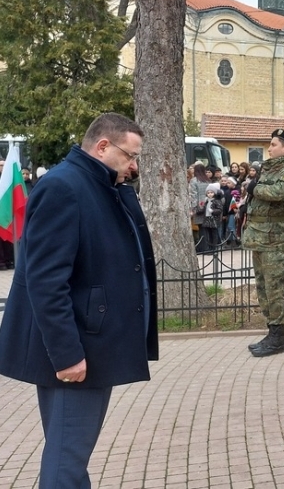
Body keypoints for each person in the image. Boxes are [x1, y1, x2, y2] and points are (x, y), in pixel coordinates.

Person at [0, 113, 158, 488]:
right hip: (77, 347)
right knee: (66, 458)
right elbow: (45, 279)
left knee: (70, 453)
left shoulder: (102, 185)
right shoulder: (64, 187)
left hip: (91, 340)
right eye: (130, 156)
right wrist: (67, 353)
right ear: (103, 147)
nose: (134, 166)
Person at [243, 129, 284, 358]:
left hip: (274, 236)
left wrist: (255, 188)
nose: (269, 148)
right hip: (259, 235)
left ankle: (279, 338)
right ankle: (272, 332)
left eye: (273, 144)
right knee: (263, 287)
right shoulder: (269, 169)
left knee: (275, 287)